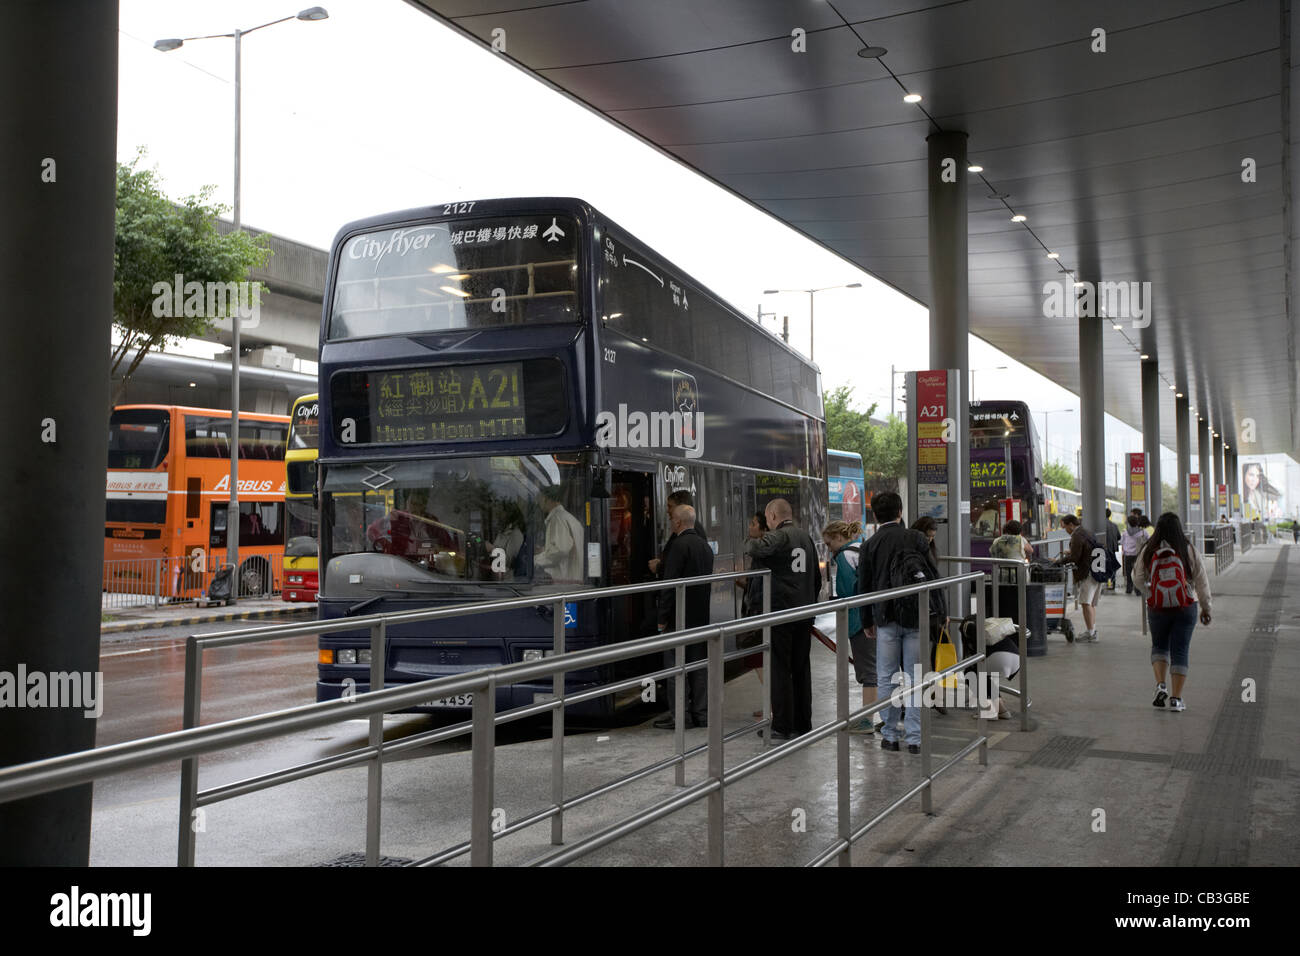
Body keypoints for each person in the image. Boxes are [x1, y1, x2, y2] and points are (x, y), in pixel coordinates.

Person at [857, 491, 941, 754]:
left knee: (887, 676)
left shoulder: (870, 545)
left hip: (885, 618)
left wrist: (867, 620)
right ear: (900, 512)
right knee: (916, 677)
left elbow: (865, 587)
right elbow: (933, 576)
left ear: (874, 515)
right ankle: (915, 738)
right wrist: (941, 611)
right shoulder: (916, 538)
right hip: (916, 616)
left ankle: (891, 734)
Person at [746, 498, 821, 742]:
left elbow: (755, 549)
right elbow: (816, 579)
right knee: (801, 669)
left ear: (774, 517)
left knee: (779, 669)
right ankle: (803, 722)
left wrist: (752, 539)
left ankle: (781, 725)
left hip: (781, 613)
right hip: (804, 613)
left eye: (768, 519)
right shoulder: (806, 538)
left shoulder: (781, 536)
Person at [1133, 512, 1212, 712]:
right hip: (1185, 605)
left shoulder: (1148, 549)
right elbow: (1201, 581)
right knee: (1180, 651)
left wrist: (1151, 592)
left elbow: (1137, 578)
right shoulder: (1188, 549)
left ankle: (1160, 685)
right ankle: (1176, 699)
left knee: (1159, 646)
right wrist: (1206, 607)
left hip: (1157, 606)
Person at [653, 504, 714, 729]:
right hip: (700, 618)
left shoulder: (678, 546)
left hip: (679, 618)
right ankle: (702, 714)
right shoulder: (704, 547)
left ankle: (681, 716)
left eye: (672, 520)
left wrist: (662, 617)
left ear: (677, 522)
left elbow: (670, 585)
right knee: (698, 667)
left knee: (676, 669)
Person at [822, 519, 878, 734]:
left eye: (829, 544)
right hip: (876, 615)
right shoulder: (861, 549)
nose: (829, 549)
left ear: (838, 538)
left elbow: (848, 591)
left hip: (859, 620)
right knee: (877, 668)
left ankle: (867, 719)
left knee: (867, 672)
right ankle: (881, 713)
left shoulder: (844, 556)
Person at [736, 510, 769, 717]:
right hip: (758, 610)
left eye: (753, 523)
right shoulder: (763, 553)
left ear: (764, 528)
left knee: (759, 659)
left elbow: (760, 587)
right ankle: (771, 704)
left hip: (759, 614)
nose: (749, 527)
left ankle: (772, 706)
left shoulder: (763, 552)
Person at [1054, 513, 1103, 642]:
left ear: (1071, 525)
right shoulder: (1087, 532)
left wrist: (1058, 561)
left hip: (1086, 572)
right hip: (1096, 570)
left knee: (1085, 603)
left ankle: (1091, 633)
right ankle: (1092, 630)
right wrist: (1071, 552)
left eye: (1065, 527)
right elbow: (1085, 550)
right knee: (1090, 603)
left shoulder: (1076, 535)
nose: (1066, 531)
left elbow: (1075, 558)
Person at [535, 485, 584, 585]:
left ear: (545, 498)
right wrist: (545, 550)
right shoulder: (569, 518)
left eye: (539, 498)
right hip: (574, 581)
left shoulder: (557, 518)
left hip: (563, 583)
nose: (538, 502)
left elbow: (560, 550)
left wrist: (535, 560)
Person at [989, 518, 1032, 583]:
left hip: (1001, 572)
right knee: (1021, 592)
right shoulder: (1020, 539)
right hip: (1018, 572)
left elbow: (992, 551)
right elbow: (1030, 550)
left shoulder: (997, 540)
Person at [1121, 514, 1149, 594]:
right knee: (1138, 572)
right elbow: (1149, 540)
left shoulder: (1125, 532)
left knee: (1128, 572)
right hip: (1138, 555)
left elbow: (1122, 542)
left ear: (1129, 523)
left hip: (1128, 555)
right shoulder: (1143, 532)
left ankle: (1129, 589)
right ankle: (1137, 590)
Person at [1103, 508, 1122, 590]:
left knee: (1104, 566)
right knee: (1112, 566)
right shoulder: (1114, 525)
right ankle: (1111, 583)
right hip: (1112, 549)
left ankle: (1106, 583)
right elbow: (1119, 537)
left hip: (1103, 549)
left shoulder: (1101, 525)